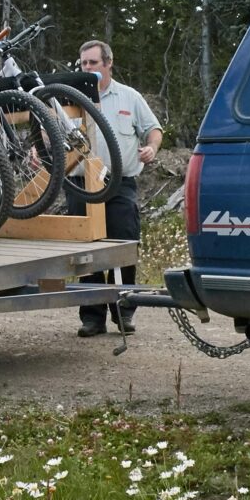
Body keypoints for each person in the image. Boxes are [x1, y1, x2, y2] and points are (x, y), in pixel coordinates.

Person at [67, 39, 161, 337]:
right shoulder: (71, 97)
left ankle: (125, 311)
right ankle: (92, 317)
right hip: (81, 185)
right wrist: (37, 149)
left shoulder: (129, 97)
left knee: (123, 246)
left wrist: (151, 148)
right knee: (89, 253)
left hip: (120, 183)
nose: (88, 68)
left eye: (93, 63)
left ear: (108, 63)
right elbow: (48, 131)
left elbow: (153, 130)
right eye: (83, 64)